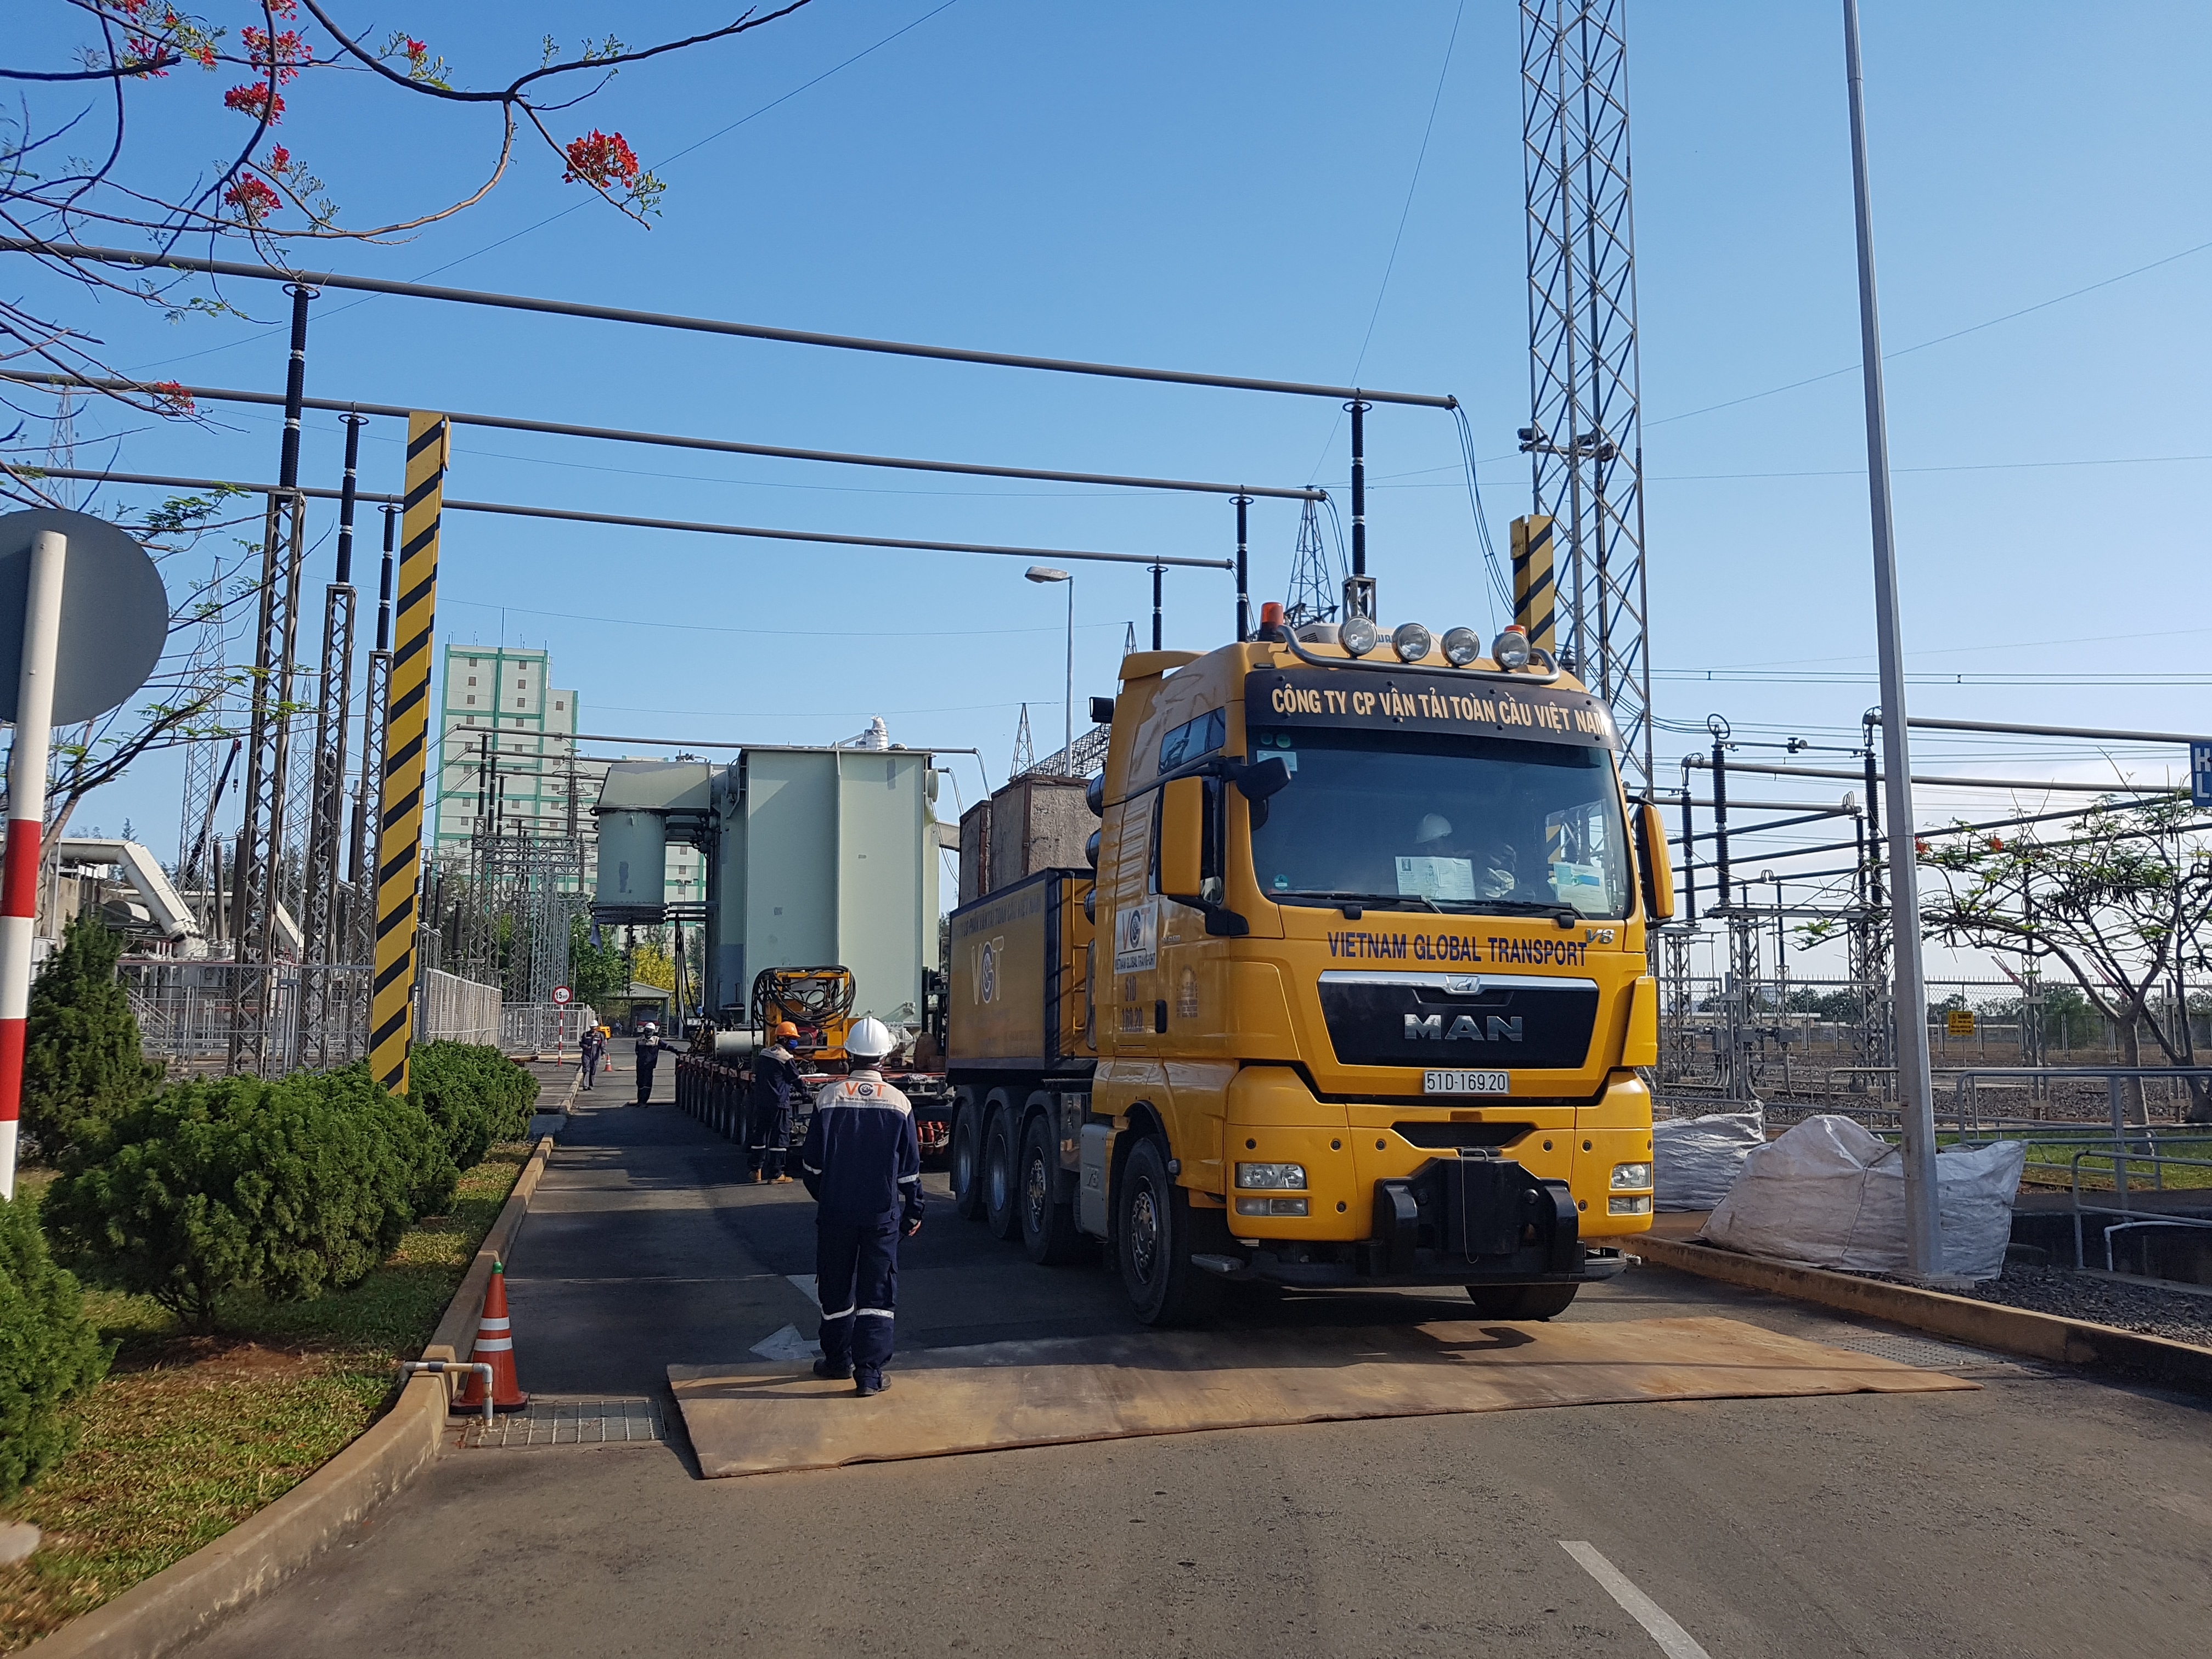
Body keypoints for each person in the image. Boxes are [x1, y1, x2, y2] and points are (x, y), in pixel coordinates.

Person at [800, 1017, 923, 1398]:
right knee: (878, 1294)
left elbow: (812, 1168)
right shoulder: (899, 1103)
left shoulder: (828, 1098)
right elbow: (909, 1171)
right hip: (881, 1217)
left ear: (849, 1054)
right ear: (885, 1056)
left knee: (835, 1288)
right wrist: (914, 1211)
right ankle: (869, 1375)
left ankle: (838, 1361)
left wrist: (831, 1197)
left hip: (836, 1214)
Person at [748, 1021, 808, 1184]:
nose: (795, 1042)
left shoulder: (764, 1053)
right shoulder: (785, 1058)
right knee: (779, 1137)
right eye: (793, 1039)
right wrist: (806, 1093)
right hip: (778, 1102)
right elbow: (795, 1079)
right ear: (785, 1039)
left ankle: (756, 1171)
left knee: (760, 1135)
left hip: (762, 1101)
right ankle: (776, 1174)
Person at [633, 1020, 665, 1107]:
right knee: (640, 1082)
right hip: (640, 1065)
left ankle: (644, 1101)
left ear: (654, 1032)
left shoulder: (657, 1041)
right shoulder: (639, 1040)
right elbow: (637, 1052)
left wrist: (677, 1052)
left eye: (650, 1031)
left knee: (647, 1083)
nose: (648, 1033)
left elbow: (667, 1047)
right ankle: (640, 1101)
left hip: (649, 1066)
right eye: (647, 1031)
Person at [578, 1023, 606, 1091]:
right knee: (586, 1069)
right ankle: (585, 1085)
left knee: (593, 1070)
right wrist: (586, 1047)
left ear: (597, 1027)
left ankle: (591, 1085)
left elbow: (602, 1045)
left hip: (595, 1056)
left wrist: (603, 1053)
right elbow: (581, 1043)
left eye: (595, 1028)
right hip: (586, 1055)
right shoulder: (586, 1035)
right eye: (592, 1028)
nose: (593, 1029)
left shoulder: (600, 1036)